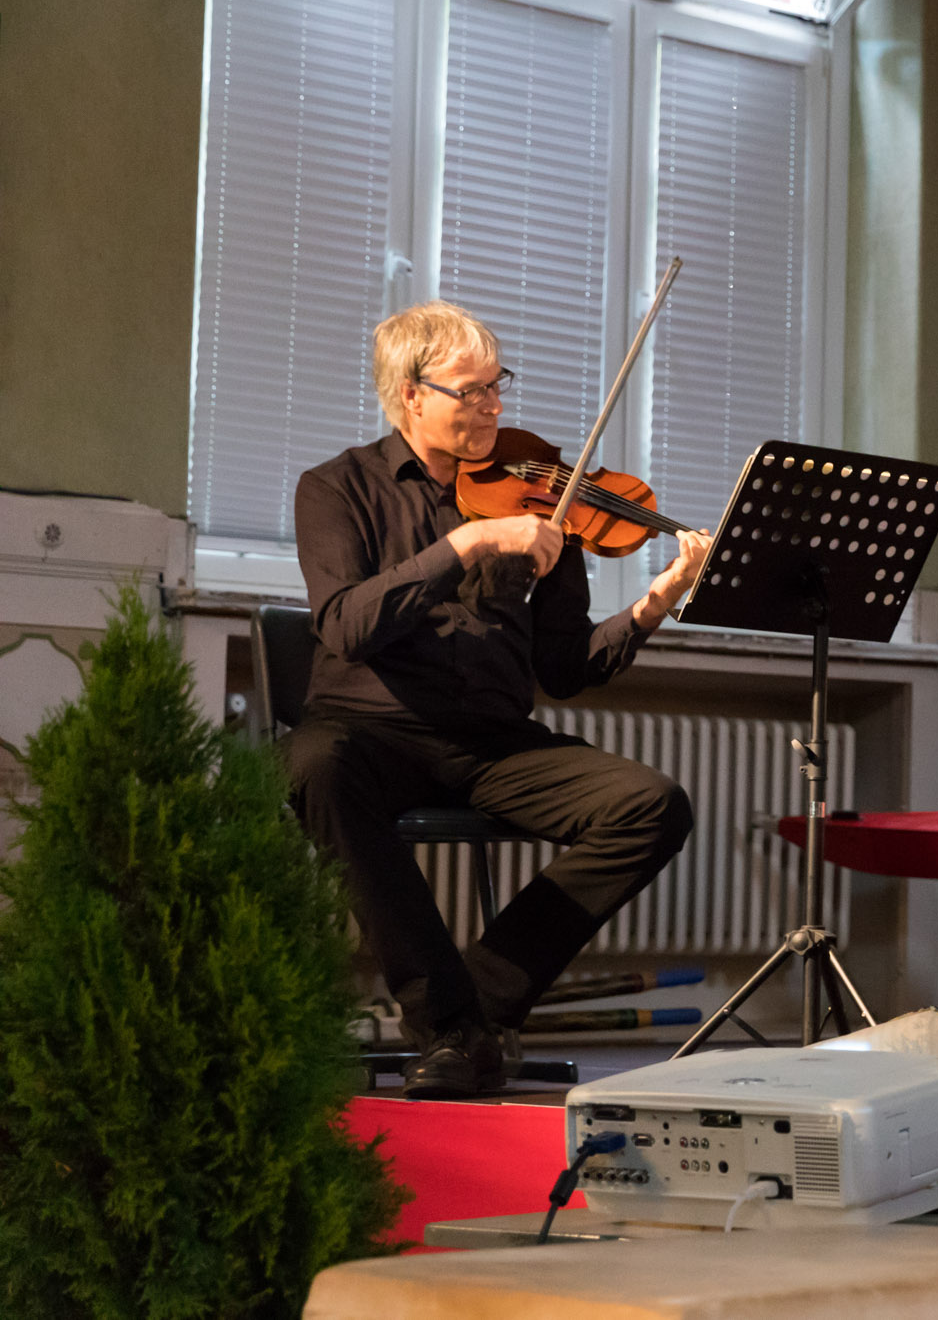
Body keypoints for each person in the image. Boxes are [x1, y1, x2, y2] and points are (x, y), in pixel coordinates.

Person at [285, 301, 714, 1099]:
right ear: (411, 394)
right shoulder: (336, 488)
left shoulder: (540, 497)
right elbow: (346, 625)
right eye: (472, 390)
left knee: (653, 804)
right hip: (374, 728)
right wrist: (468, 545)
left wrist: (652, 605)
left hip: (491, 740)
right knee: (316, 764)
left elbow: (564, 666)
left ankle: (469, 1010)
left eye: (497, 386)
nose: (494, 406)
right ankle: (452, 1025)